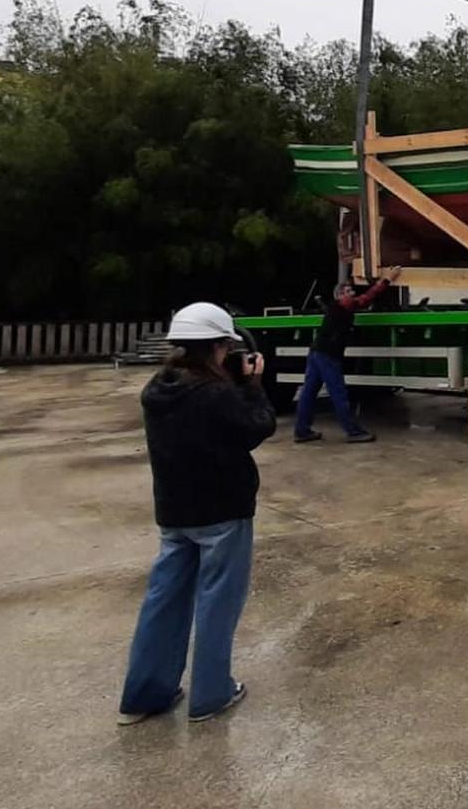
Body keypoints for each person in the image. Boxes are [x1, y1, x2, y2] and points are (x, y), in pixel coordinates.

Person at [119, 302, 277, 724]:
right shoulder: (217, 393)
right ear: (217, 348)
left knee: (163, 601)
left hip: (174, 514)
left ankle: (145, 695)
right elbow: (257, 427)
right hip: (223, 512)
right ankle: (211, 694)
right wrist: (254, 385)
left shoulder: (156, 389)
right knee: (217, 604)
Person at [294, 274, 392, 444]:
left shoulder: (337, 308)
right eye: (348, 291)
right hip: (327, 355)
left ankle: (302, 431)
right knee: (338, 393)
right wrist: (385, 281)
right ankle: (353, 431)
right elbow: (364, 300)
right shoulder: (342, 305)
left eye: (351, 290)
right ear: (339, 295)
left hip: (317, 352)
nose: (352, 293)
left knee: (308, 393)